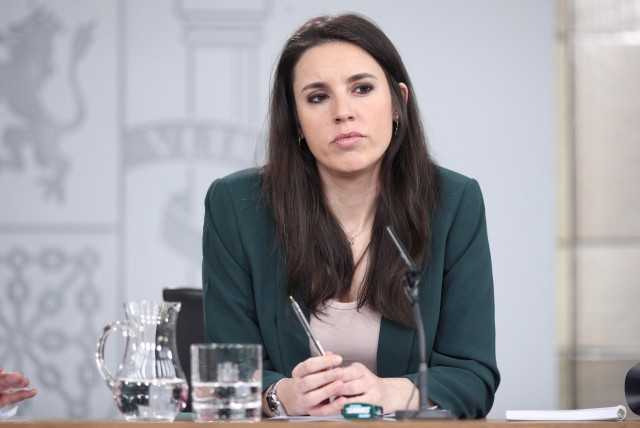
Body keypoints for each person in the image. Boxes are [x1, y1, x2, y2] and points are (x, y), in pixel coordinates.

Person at [202, 13, 499, 418]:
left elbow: (473, 379)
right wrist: (282, 395)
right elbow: (225, 380)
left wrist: (390, 392)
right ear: (296, 122)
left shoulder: (453, 202)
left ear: (398, 103)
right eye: (318, 97)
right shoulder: (236, 206)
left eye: (361, 88)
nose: (343, 112)